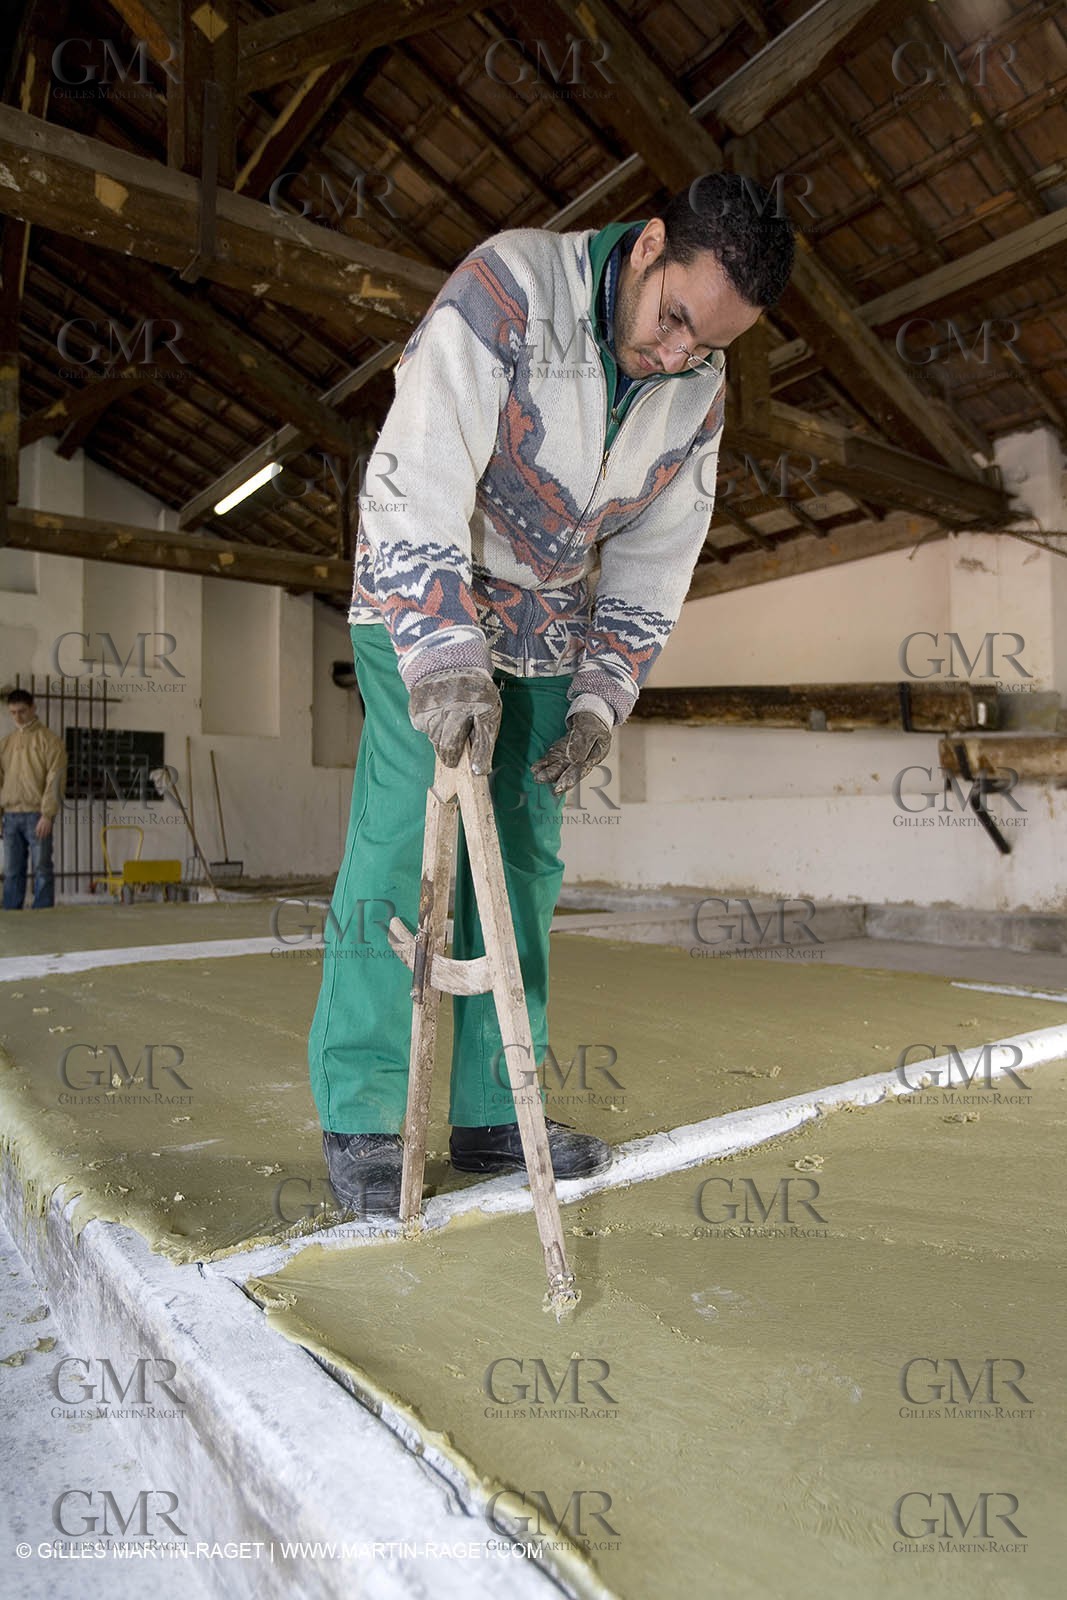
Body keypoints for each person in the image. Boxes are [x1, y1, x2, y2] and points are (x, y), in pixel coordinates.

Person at [309, 174, 795, 1215]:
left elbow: (657, 557)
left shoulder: (697, 390)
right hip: (420, 591)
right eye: (673, 320)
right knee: (404, 837)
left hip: (544, 629)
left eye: (707, 345)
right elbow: (416, 471)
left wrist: (599, 698)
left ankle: (494, 1109)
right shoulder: (510, 287)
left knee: (524, 862)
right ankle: (365, 1113)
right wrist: (443, 652)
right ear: (649, 245)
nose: (676, 356)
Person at [1, 689, 67, 910]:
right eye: (13, 712)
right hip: (10, 816)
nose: (17, 717)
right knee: (11, 870)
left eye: (22, 711)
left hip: (37, 815)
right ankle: (11, 914)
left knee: (42, 868)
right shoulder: (6, 743)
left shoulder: (50, 741)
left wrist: (48, 814)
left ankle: (43, 915)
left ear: (33, 708)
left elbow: (56, 779)